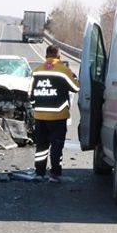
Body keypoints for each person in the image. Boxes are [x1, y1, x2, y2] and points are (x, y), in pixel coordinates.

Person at [30, 45, 80, 182]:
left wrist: (37, 107)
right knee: (56, 146)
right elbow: (76, 88)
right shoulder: (63, 71)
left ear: (46, 56)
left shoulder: (37, 71)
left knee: (41, 146)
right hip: (58, 116)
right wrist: (74, 77)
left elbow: (31, 93)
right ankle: (55, 173)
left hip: (40, 116)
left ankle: (39, 172)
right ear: (59, 56)